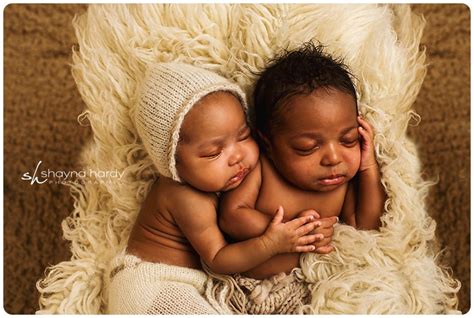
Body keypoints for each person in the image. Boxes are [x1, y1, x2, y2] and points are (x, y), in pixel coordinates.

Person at [106, 62, 320, 314]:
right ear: (172, 162)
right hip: (150, 286)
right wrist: (270, 244)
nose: (237, 156)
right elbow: (219, 259)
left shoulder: (221, 180)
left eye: (243, 136)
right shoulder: (185, 196)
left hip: (174, 286)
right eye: (212, 153)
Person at [218, 42, 387, 312]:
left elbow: (366, 225)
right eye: (307, 147)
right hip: (245, 290)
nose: (333, 158)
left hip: (310, 293)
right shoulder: (263, 167)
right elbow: (231, 215)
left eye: (348, 139)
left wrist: (368, 168)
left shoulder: (342, 181)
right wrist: (284, 235)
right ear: (268, 144)